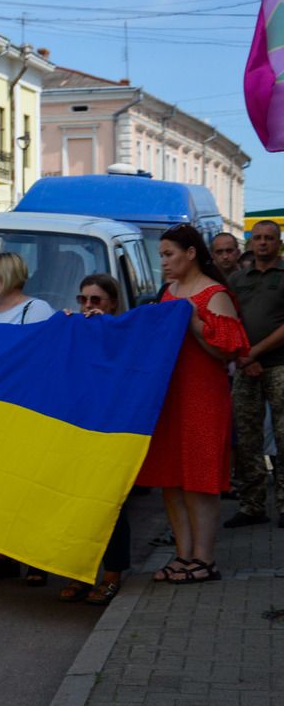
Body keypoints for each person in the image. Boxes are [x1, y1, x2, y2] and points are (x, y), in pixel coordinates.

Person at [136, 224, 248, 583]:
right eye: (162, 256)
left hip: (203, 398)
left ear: (190, 253)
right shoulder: (168, 291)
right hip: (170, 397)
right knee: (172, 479)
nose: (164, 262)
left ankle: (204, 559)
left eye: (169, 254)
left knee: (199, 481)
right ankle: (183, 556)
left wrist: (195, 321)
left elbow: (225, 350)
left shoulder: (215, 294)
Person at [0, 252, 56, 585]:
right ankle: (0, 553)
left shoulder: (36, 311)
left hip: (26, 410)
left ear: (8, 275)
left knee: (27, 486)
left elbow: (45, 359)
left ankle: (34, 557)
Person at [57, 274, 132, 606]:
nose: (88, 306)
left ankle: (113, 574)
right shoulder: (75, 332)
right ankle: (79, 572)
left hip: (113, 430)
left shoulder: (126, 334)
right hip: (77, 427)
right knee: (76, 501)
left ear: (112, 303)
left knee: (110, 505)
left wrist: (108, 333)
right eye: (83, 299)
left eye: (96, 300)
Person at [226, 220, 284, 530]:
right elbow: (229, 320)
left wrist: (256, 352)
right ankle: (252, 505)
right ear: (250, 242)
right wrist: (244, 357)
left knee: (283, 435)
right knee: (247, 438)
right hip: (246, 367)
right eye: (258, 238)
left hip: (279, 365)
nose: (262, 243)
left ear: (278, 243)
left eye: (269, 238)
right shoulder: (237, 279)